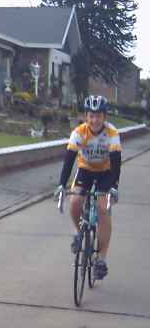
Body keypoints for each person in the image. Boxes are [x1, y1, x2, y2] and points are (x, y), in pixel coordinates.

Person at [55, 95, 121, 279]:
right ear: (86, 116)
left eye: (98, 115)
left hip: (106, 173)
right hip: (85, 170)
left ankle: (102, 259)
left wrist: (114, 186)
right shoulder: (79, 132)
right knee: (75, 201)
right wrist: (61, 184)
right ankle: (77, 232)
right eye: (91, 115)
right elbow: (68, 161)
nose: (94, 120)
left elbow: (116, 163)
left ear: (104, 116)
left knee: (102, 208)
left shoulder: (112, 133)